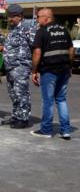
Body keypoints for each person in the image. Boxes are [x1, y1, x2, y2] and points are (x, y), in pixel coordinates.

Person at [31, 8, 74, 140]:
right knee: (61, 99)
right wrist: (69, 66)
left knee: (48, 101)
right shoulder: (63, 30)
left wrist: (34, 71)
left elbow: (37, 53)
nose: (37, 20)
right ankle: (66, 130)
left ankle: (46, 130)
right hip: (64, 70)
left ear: (46, 17)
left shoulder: (42, 32)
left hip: (49, 71)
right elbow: (71, 50)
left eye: (38, 17)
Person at [1, 4, 37, 129]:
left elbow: (35, 46)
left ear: (20, 16)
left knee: (21, 92)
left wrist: (34, 68)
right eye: (9, 16)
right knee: (13, 93)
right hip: (10, 67)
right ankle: (16, 115)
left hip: (21, 66)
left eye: (12, 16)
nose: (10, 19)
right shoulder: (13, 29)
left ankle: (23, 118)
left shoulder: (28, 27)